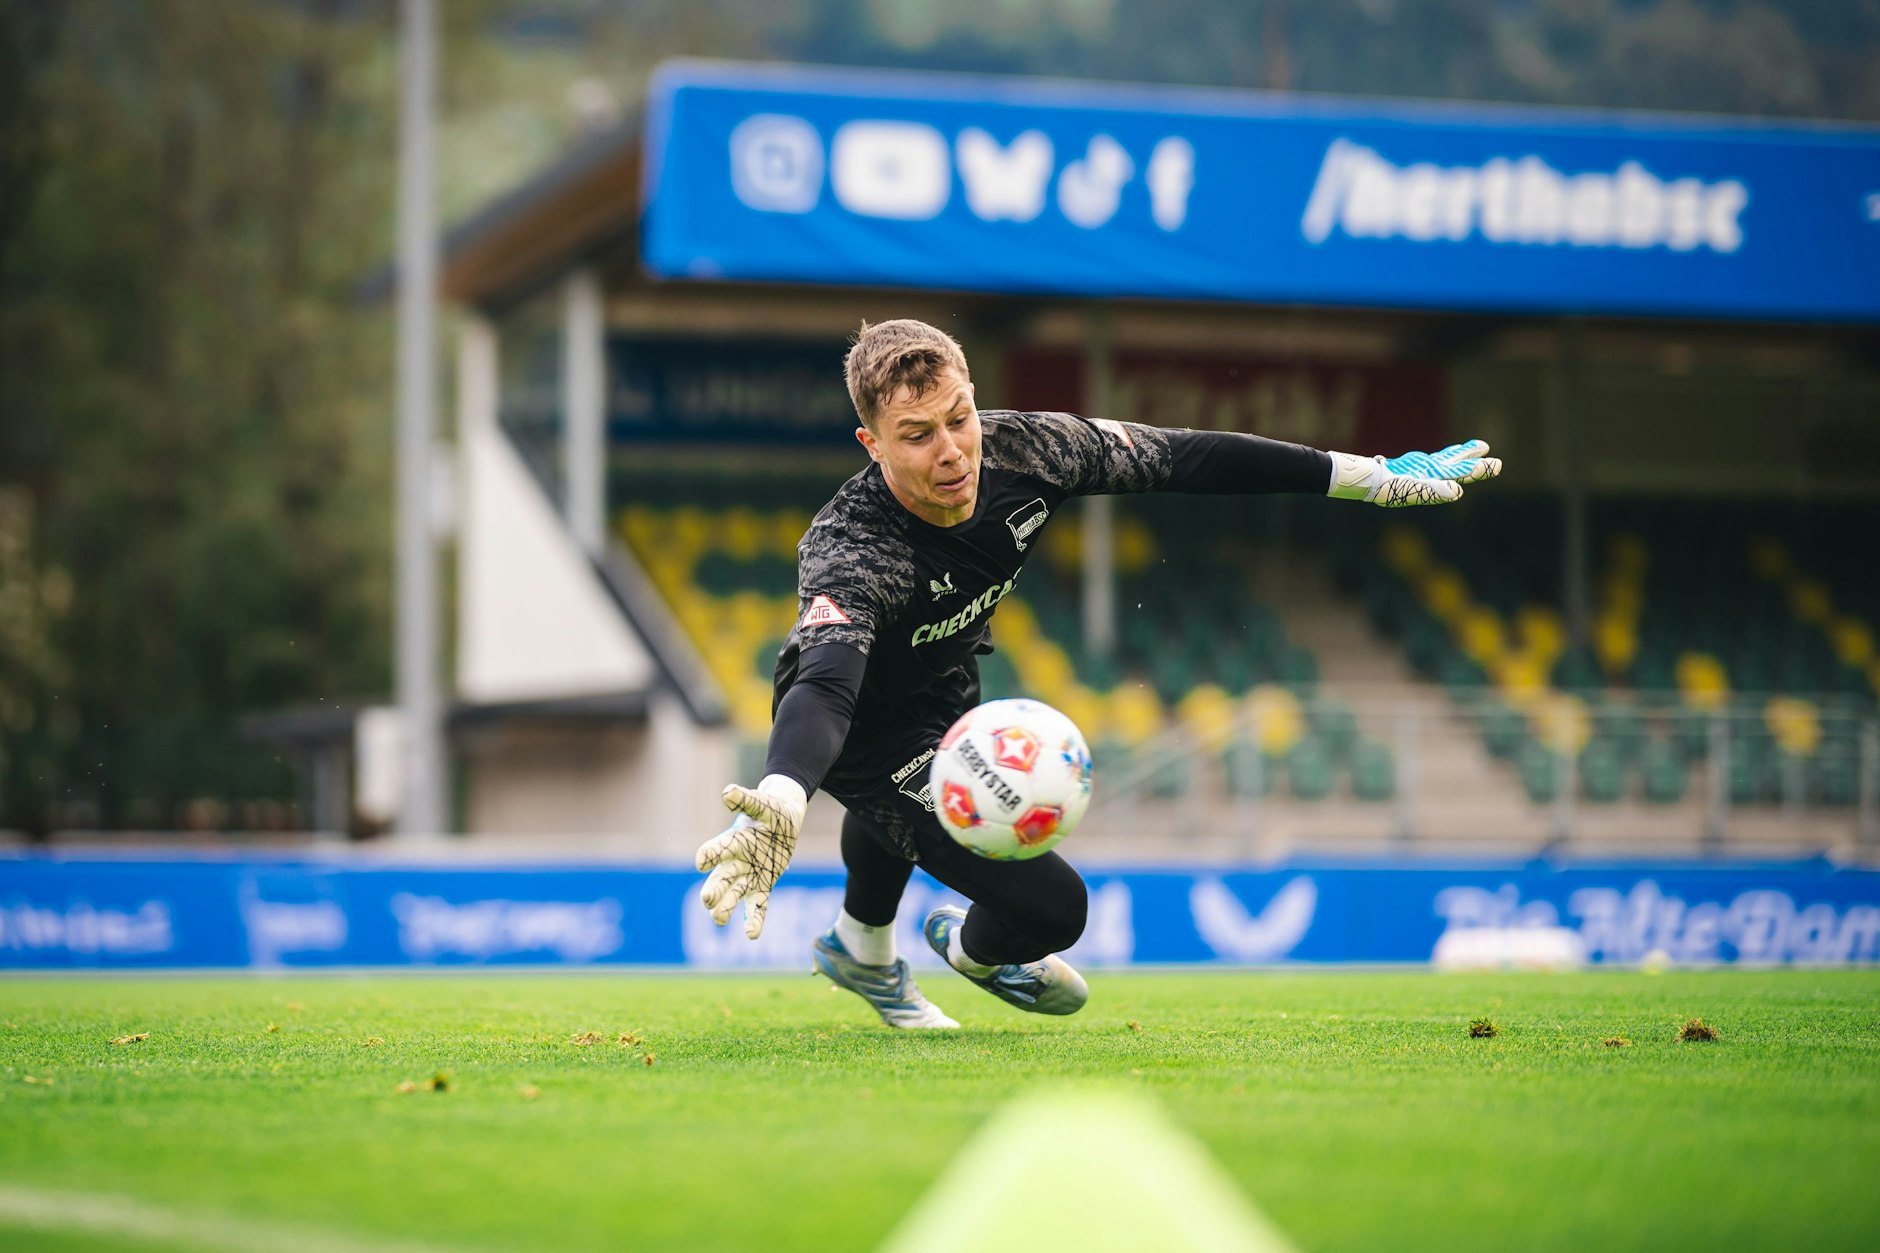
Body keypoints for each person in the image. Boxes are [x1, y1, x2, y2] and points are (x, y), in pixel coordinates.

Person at [695, 319, 1500, 1028]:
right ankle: (971, 955)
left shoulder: (1032, 448)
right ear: (872, 443)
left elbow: (1187, 457)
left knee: (902, 815)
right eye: (917, 435)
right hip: (858, 728)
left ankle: (862, 950)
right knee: (1055, 908)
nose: (951, 451)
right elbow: (828, 681)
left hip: (946, 690)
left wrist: (1370, 474)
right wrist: (786, 793)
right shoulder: (851, 544)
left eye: (959, 418)